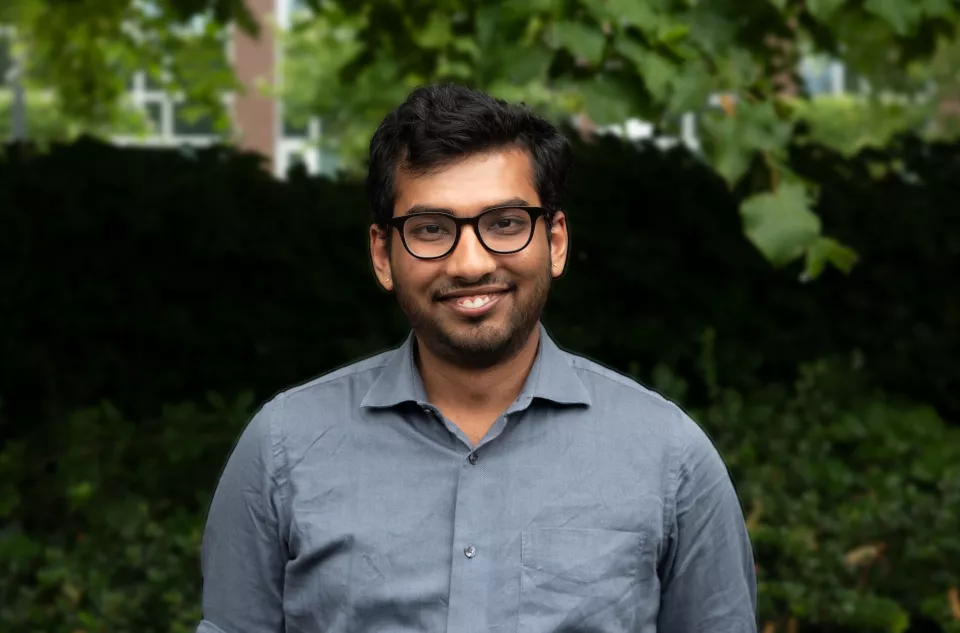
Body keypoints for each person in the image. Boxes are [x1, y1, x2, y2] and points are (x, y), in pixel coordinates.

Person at [197, 83, 757, 633]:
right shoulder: (282, 449)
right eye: (431, 229)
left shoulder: (670, 457)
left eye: (505, 224)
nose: (470, 263)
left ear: (556, 241)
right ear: (382, 254)